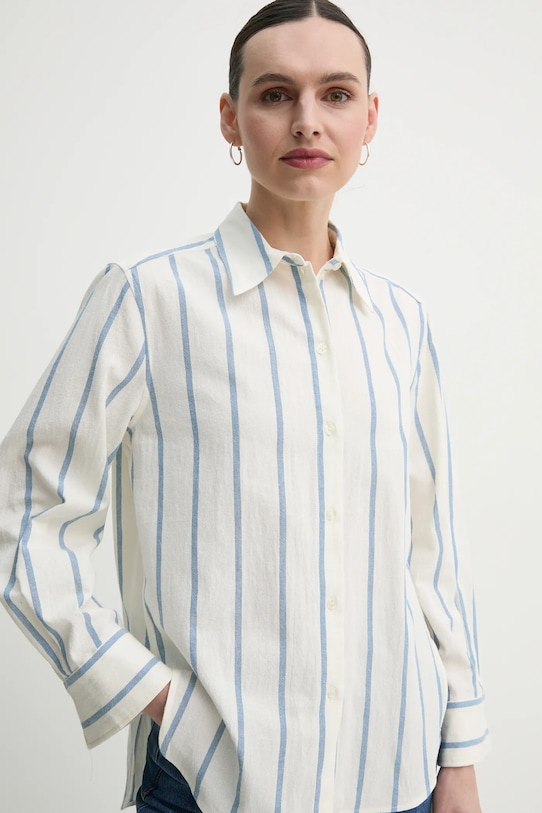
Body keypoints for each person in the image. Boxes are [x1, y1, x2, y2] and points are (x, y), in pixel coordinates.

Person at [0, 1, 490, 811]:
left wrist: (461, 755)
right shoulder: (147, 299)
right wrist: (153, 696)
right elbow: (25, 508)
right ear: (231, 118)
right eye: (275, 94)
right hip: (215, 784)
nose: (307, 120)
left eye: (336, 94)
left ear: (370, 118)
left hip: (399, 774)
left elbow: (433, 554)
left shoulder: (401, 322)